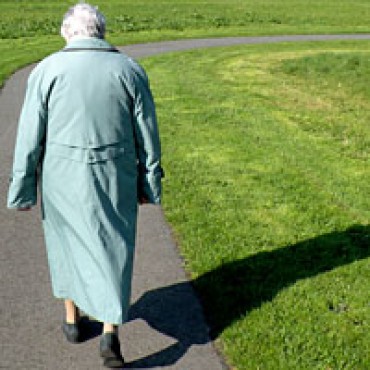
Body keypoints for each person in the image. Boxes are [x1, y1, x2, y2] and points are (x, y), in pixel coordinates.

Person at [7, 2, 163, 368]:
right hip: (114, 172)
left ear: (67, 32)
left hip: (61, 175)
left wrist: (23, 187)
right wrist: (149, 181)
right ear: (102, 32)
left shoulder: (46, 70)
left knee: (65, 245)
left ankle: (72, 320)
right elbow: (148, 135)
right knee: (113, 246)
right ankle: (109, 330)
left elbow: (29, 136)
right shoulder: (129, 70)